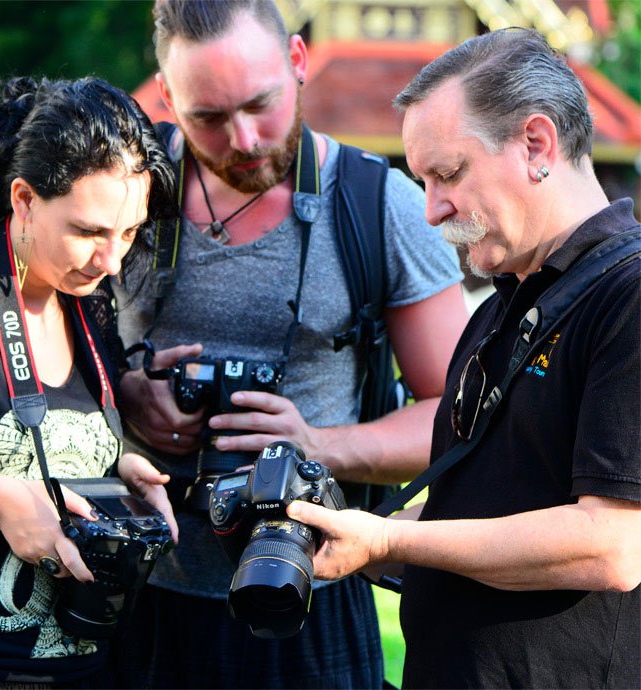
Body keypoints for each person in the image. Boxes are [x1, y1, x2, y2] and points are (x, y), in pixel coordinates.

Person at [113, 1, 469, 688]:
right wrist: (121, 395)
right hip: (140, 587)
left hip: (313, 592)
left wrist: (317, 445)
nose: (244, 139)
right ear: (166, 98)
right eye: (209, 118)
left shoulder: (379, 205)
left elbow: (458, 421)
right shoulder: (123, 198)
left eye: (260, 104)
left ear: (298, 63)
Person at [287, 27, 641, 690]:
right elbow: (479, 509)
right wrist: (345, 534)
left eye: (447, 174)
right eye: (421, 181)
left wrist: (391, 541)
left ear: (537, 145)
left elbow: (613, 544)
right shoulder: (497, 307)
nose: (430, 209)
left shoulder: (629, 296)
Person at [0, 75, 180, 689]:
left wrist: (114, 474)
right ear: (23, 199)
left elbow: (44, 436)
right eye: (90, 231)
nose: (112, 262)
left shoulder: (86, 303)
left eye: (128, 233)